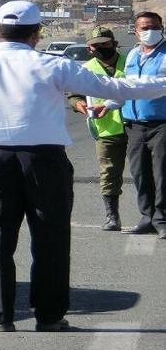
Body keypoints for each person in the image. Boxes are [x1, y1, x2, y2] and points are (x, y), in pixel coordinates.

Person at [0, 1, 166, 334]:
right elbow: (114, 88)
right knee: (51, 238)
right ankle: (49, 315)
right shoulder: (52, 65)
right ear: (37, 34)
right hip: (44, 160)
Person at [108, 11, 166, 237]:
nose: (149, 31)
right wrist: (109, 105)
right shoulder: (132, 55)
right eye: (144, 27)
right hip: (134, 124)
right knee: (140, 174)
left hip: (162, 124)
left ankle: (162, 219)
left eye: (154, 26)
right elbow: (126, 85)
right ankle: (146, 217)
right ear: (136, 30)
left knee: (161, 173)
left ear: (161, 28)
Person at [65, 26, 127, 231]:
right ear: (89, 49)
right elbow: (74, 95)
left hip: (137, 126)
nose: (101, 48)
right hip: (105, 129)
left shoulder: (131, 62)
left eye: (105, 44)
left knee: (146, 172)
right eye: (96, 45)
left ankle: (153, 215)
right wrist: (79, 104)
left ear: (114, 44)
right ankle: (112, 216)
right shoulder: (86, 69)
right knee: (109, 173)